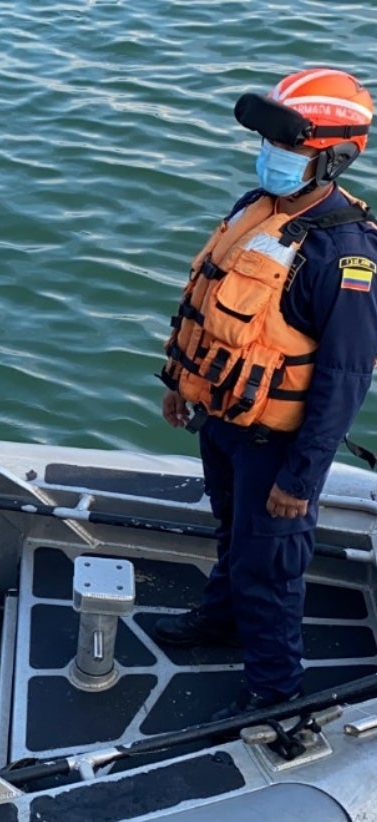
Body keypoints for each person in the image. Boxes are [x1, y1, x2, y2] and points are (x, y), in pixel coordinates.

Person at [155, 68, 377, 718]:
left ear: (333, 158)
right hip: (223, 422)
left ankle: (275, 694)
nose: (271, 156)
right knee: (233, 535)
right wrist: (180, 385)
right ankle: (222, 619)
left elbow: (345, 379)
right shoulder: (254, 208)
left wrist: (301, 479)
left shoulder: (345, 256)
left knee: (270, 570)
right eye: (269, 142)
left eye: (288, 146)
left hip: (278, 448)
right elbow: (210, 312)